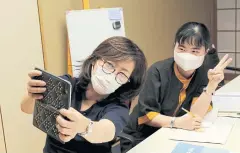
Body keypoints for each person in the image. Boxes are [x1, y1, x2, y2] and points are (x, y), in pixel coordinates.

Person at [20, 36, 147, 153]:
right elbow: (25, 108)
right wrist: (32, 95)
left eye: (122, 74)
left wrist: (85, 127)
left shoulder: (118, 107)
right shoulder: (67, 85)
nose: (112, 76)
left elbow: (106, 131)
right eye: (109, 65)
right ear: (95, 60)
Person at [120, 22, 232, 152]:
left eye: (195, 51)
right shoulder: (157, 71)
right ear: (174, 46)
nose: (187, 55)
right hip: (141, 137)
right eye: (182, 49)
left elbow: (195, 115)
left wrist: (211, 85)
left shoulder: (203, 72)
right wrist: (177, 123)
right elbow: (148, 115)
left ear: (205, 52)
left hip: (172, 134)